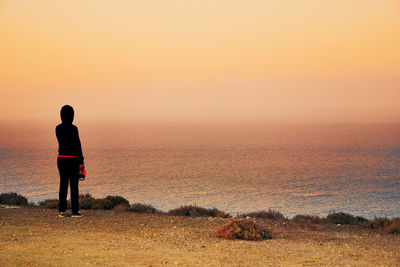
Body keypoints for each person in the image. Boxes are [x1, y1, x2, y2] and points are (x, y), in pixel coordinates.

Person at [56, 105, 85, 217]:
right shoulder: (74, 129)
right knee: (74, 185)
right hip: (73, 159)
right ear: (72, 116)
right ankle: (75, 211)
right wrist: (81, 162)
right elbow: (78, 146)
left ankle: (62, 211)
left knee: (63, 184)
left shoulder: (58, 128)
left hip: (61, 159)